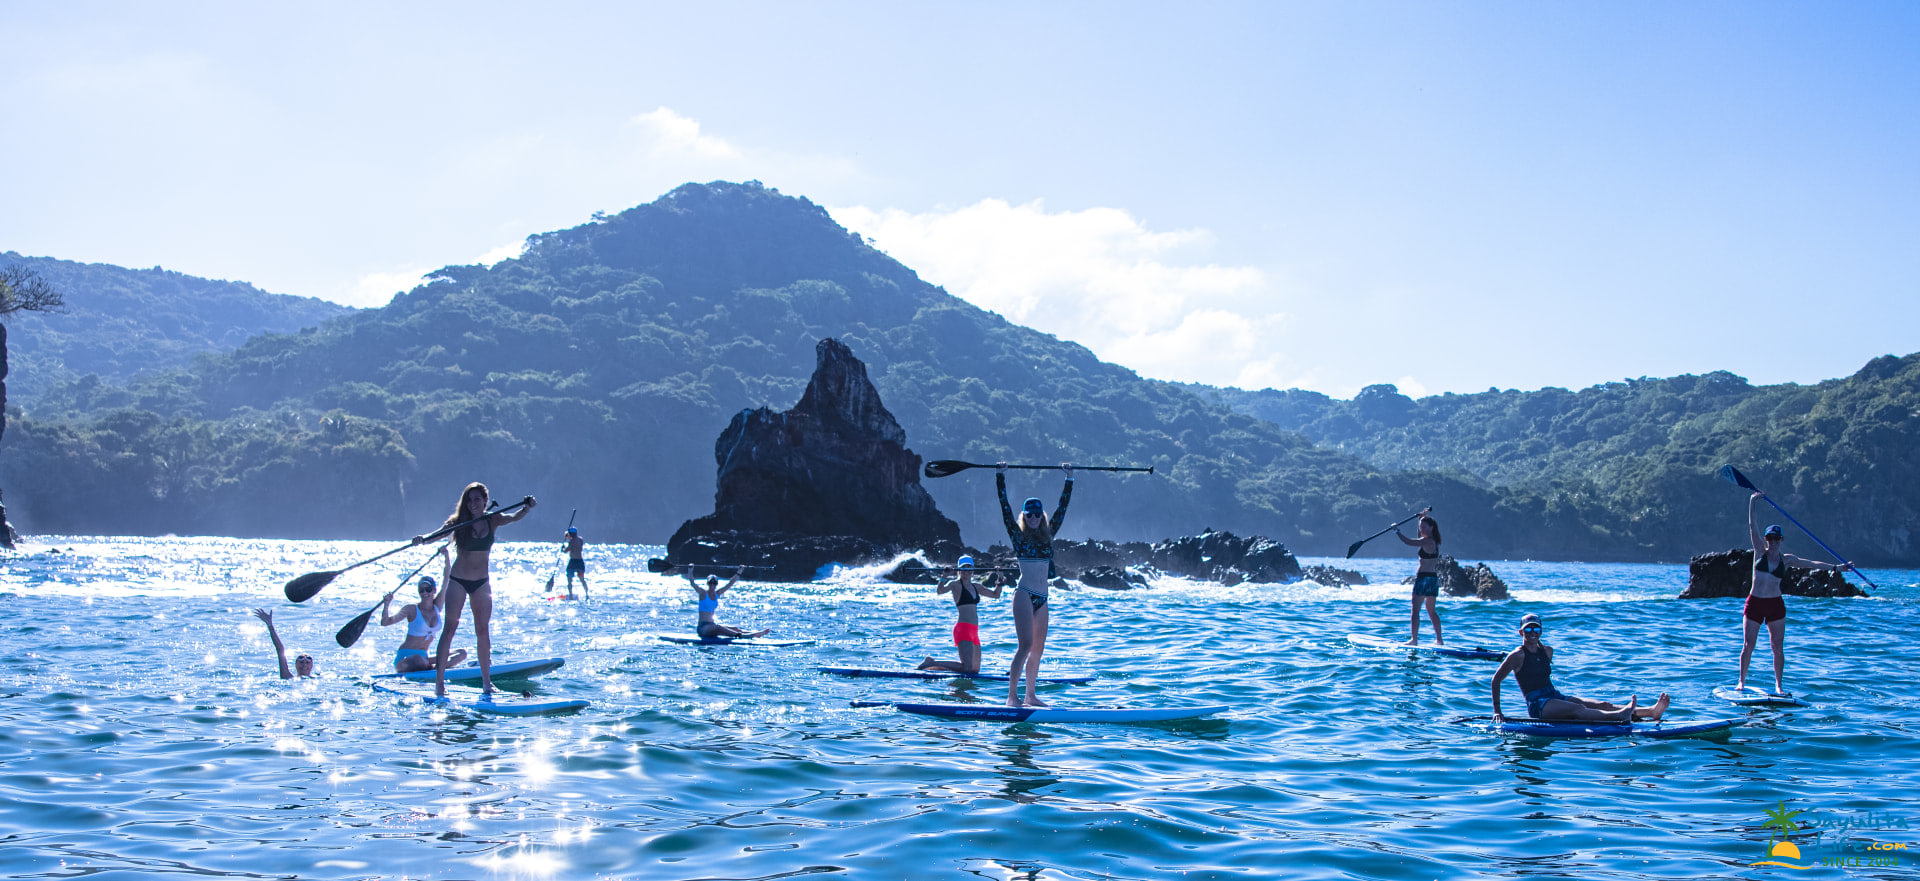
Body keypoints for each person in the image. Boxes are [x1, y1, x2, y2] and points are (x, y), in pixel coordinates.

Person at [413, 482, 536, 697]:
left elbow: (514, 517)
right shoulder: (458, 523)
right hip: (458, 581)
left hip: (481, 583)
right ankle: (439, 684)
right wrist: (422, 540)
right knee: (449, 629)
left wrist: (527, 507)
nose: (472, 504)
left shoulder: (493, 519)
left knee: (482, 631)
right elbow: (438, 534)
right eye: (469, 500)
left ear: (485, 501)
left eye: (477, 499)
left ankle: (487, 683)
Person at [1740, 492, 1849, 695]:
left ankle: (1779, 686)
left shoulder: (1787, 559)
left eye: (1776, 538)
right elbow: (1752, 526)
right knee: (1748, 645)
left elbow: (1811, 564)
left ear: (1781, 539)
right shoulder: (1759, 552)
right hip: (1755, 603)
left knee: (1777, 647)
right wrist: (1752, 501)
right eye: (1770, 538)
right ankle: (1741, 682)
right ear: (1766, 539)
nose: (1773, 542)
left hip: (1775, 605)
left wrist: (1836, 568)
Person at [1492, 614, 1668, 722]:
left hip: (1554, 696)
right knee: (1577, 710)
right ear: (1521, 632)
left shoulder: (1547, 651)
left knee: (1603, 704)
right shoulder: (1517, 655)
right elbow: (1496, 680)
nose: (1532, 633)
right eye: (1528, 630)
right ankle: (1620, 716)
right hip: (1538, 705)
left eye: (1536, 630)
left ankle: (1650, 711)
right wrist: (1497, 712)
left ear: (1541, 632)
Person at [998, 462, 1073, 707]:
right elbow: (1005, 509)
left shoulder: (1048, 536)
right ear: (1024, 516)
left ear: (1041, 516)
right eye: (1028, 515)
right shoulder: (1018, 538)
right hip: (1024, 594)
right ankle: (1012, 697)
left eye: (1036, 514)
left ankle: (1030, 695)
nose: (1032, 518)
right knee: (1025, 646)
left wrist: (1069, 479)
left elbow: (1062, 508)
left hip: (1043, 599)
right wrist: (1000, 476)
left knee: (1038, 650)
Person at [378, 545, 469, 674]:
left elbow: (447, 580)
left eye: (428, 589)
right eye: (421, 590)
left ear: (434, 590)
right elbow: (385, 622)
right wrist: (387, 604)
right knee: (418, 660)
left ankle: (434, 668)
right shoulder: (411, 609)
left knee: (461, 653)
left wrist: (446, 556)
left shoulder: (437, 606)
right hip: (405, 659)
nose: (425, 593)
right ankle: (436, 668)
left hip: (424, 658)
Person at [917, 556, 1005, 674]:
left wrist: (1000, 578)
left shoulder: (976, 586)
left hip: (974, 630)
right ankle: (931, 663)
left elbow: (996, 595)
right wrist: (944, 576)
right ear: (959, 570)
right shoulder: (955, 585)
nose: (967, 571)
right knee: (967, 668)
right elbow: (940, 591)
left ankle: (936, 666)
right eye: (964, 568)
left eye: (969, 568)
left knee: (974, 670)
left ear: (973, 570)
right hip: (963, 629)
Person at [1394, 508, 1443, 645]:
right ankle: (1439, 640)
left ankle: (1414, 640)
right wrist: (1420, 519)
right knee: (1431, 611)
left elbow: (1409, 542)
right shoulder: (1432, 541)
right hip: (1432, 579)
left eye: (1424, 527)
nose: (1421, 529)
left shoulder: (1428, 541)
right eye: (1421, 527)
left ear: (1431, 528)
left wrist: (1397, 531)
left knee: (1415, 610)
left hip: (1423, 579)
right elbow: (1419, 538)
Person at [687, 565, 769, 639]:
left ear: (716, 584)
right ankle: (741, 636)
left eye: (714, 583)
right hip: (703, 628)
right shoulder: (703, 593)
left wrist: (739, 571)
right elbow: (692, 583)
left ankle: (754, 634)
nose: (712, 585)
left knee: (735, 628)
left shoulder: (717, 594)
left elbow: (730, 583)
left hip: (712, 625)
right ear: (708, 583)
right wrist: (690, 571)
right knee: (718, 627)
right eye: (710, 583)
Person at [252, 608, 315, 679]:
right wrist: (270, 625)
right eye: (301, 662)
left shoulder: (319, 677)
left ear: (311, 665)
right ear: (296, 665)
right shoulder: (287, 676)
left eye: (307, 663)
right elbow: (280, 649)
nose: (304, 665)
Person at [563, 526, 590, 600]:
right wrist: (568, 536)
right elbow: (575, 540)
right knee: (582, 579)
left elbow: (566, 551)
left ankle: (570, 595)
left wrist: (563, 548)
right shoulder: (580, 540)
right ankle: (587, 594)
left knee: (569, 579)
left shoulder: (571, 542)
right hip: (580, 562)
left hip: (573, 562)